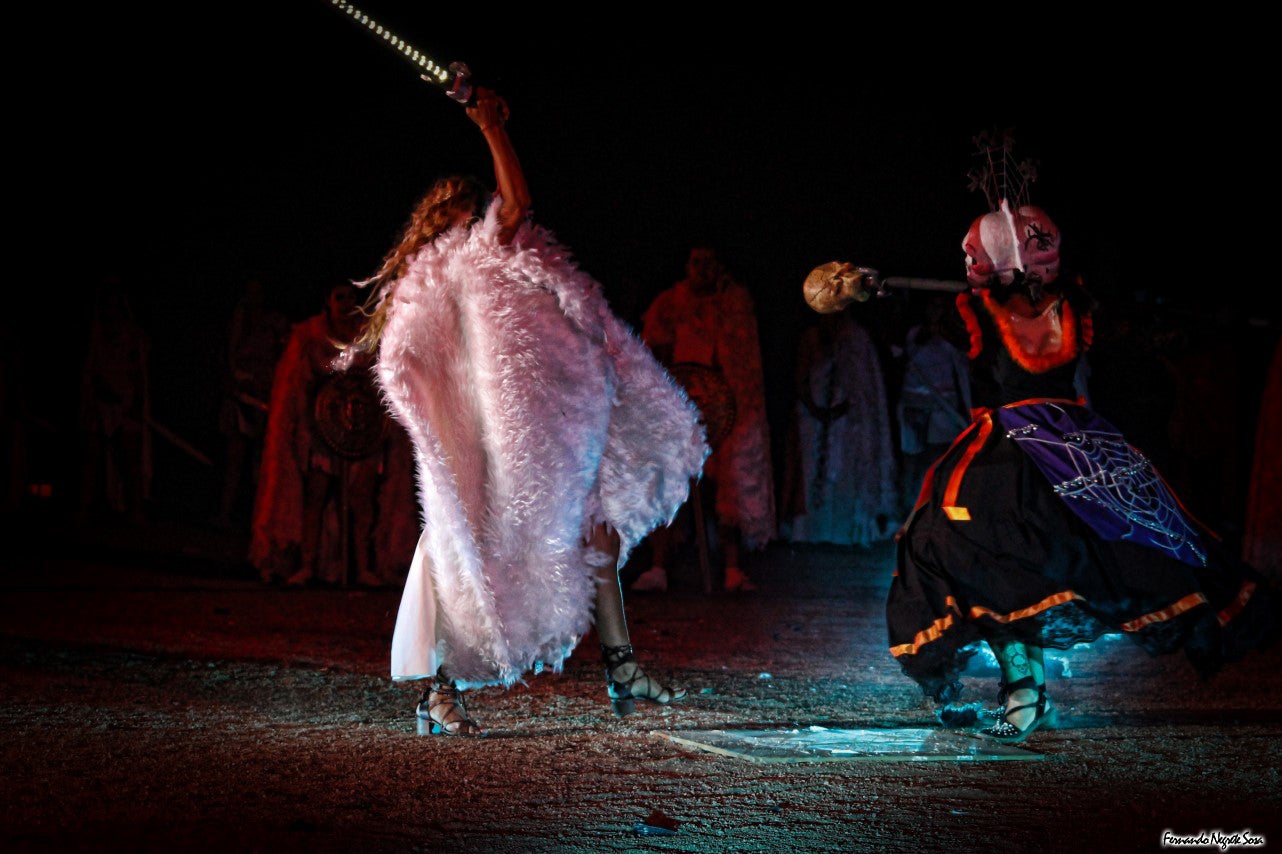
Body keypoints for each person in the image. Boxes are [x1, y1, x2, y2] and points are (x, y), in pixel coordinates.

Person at [809, 144, 1280, 743]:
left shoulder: (974, 311)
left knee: (962, 554)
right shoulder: (1075, 303)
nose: (966, 261)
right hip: (1075, 446)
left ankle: (1025, 692)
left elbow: (938, 304)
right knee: (1032, 565)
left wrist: (876, 288)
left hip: (1006, 450)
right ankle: (1026, 693)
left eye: (975, 252)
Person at [343, 87, 709, 735]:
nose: (482, 220)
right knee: (457, 552)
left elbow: (513, 228)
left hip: (538, 437)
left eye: (475, 212)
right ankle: (436, 689)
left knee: (596, 535)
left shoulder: (500, 265)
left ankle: (621, 669)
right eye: (464, 213)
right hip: (481, 451)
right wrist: (490, 127)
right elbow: (516, 204)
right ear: (441, 225)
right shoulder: (448, 273)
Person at [248, 280, 417, 588]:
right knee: (316, 498)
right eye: (340, 297)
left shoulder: (370, 335)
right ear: (328, 301)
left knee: (362, 500)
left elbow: (382, 379)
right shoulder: (310, 337)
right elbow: (298, 387)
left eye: (351, 296)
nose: (347, 302)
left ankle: (364, 567)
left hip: (364, 431)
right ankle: (309, 565)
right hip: (323, 432)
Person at [632, 245, 775, 592]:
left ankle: (732, 567)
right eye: (696, 262)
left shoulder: (732, 306)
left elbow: (742, 363)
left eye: (710, 263)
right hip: (678, 406)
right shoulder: (669, 304)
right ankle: (659, 567)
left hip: (723, 409)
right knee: (668, 484)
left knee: (729, 488)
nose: (703, 270)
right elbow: (653, 354)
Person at [780, 306, 898, 548]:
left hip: (847, 424)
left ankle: (844, 532)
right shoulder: (811, 338)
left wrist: (845, 409)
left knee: (844, 472)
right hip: (813, 421)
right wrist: (816, 410)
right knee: (813, 471)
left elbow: (866, 389)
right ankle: (812, 532)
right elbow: (802, 377)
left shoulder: (857, 338)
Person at [212, 277, 291, 528]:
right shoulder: (238, 321)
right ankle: (225, 514)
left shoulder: (275, 324)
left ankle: (261, 523)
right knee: (235, 460)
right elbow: (228, 358)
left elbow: (286, 359)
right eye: (250, 292)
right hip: (240, 397)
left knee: (264, 463)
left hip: (267, 398)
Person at [77, 275, 152, 526]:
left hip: (125, 401)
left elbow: (140, 371)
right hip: (100, 402)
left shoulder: (133, 334)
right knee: (91, 458)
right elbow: (90, 368)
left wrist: (135, 404)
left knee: (130, 461)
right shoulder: (96, 333)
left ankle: (136, 512)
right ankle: (83, 510)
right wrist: (91, 399)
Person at [894, 294, 972, 517]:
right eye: (932, 307)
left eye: (939, 307)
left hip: (942, 408)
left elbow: (961, 373)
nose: (934, 312)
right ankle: (910, 511)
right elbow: (907, 369)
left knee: (939, 458)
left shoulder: (951, 337)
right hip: (914, 405)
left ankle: (939, 511)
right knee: (913, 461)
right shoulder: (915, 334)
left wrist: (964, 409)